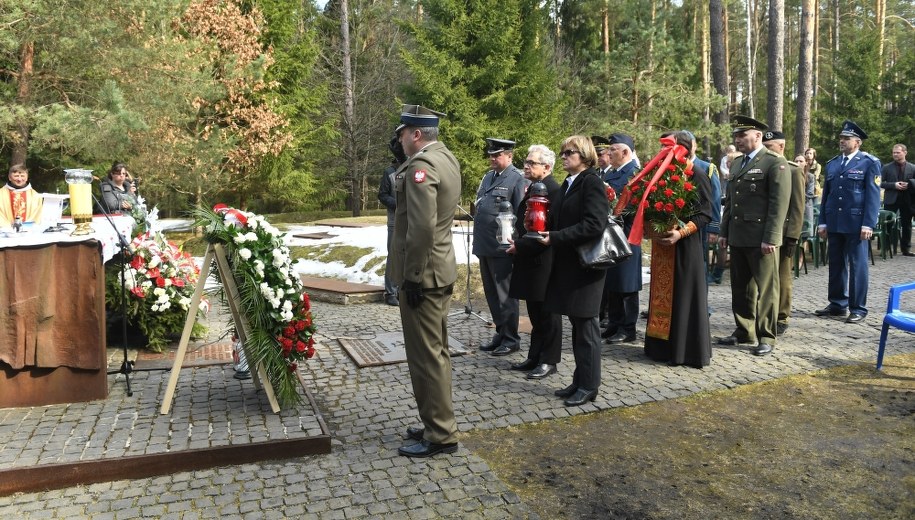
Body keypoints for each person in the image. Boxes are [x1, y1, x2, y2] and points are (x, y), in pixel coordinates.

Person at [389, 104, 462, 458]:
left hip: (425, 275)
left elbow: (420, 229)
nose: (399, 138)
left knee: (426, 357)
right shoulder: (445, 156)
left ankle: (440, 434)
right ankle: (437, 420)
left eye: (403, 132)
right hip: (440, 270)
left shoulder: (421, 166)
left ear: (416, 134)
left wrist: (412, 277)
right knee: (437, 352)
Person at [539, 135, 608, 406]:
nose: (564, 156)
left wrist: (555, 237)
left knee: (587, 327)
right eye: (563, 152)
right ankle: (580, 380)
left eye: (569, 152)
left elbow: (594, 224)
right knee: (578, 326)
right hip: (570, 264)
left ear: (584, 154)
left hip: (587, 266)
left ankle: (589, 386)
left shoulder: (591, 181)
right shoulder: (570, 182)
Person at [717, 115, 791, 356]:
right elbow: (731, 203)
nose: (737, 140)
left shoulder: (773, 162)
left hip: (761, 239)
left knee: (767, 289)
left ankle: (767, 336)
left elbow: (778, 204)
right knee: (741, 288)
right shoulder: (737, 164)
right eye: (736, 136)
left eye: (742, 135)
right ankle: (744, 330)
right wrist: (724, 232)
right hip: (739, 235)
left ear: (757, 136)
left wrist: (771, 237)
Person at [642, 131, 713, 368]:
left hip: (685, 246)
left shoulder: (698, 174)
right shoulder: (663, 174)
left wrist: (680, 233)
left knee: (683, 296)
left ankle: (684, 352)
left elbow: (706, 213)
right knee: (663, 296)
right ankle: (660, 349)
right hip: (663, 246)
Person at [814, 120, 881, 324]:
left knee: (857, 265)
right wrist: (822, 221)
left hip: (856, 224)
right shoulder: (833, 163)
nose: (842, 141)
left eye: (846, 138)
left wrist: (868, 224)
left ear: (857, 142)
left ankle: (858, 308)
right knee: (836, 264)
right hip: (834, 222)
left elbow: (873, 196)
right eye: (841, 138)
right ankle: (837, 304)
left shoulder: (869, 163)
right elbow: (827, 196)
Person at [505, 145, 563, 380]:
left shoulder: (554, 191)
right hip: (529, 258)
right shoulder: (534, 187)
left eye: (532, 163)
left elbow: (547, 231)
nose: (526, 166)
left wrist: (519, 245)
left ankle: (549, 360)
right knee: (535, 313)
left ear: (547, 167)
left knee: (548, 314)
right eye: (526, 162)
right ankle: (535, 356)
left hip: (544, 261)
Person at [473, 138, 527, 357]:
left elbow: (521, 214)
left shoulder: (516, 179)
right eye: (491, 155)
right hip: (485, 245)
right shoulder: (488, 177)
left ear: (510, 156)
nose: (493, 159)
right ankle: (500, 332)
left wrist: (516, 242)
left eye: (497, 155)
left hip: (503, 247)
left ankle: (512, 338)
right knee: (491, 294)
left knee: (505, 295)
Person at [597, 133, 642, 344]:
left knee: (627, 282)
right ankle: (614, 323)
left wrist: (614, 214)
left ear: (625, 152)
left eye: (613, 149)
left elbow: (633, 206)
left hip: (627, 234)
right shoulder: (611, 173)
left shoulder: (635, 173)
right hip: (611, 235)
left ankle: (628, 327)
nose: (608, 153)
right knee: (612, 280)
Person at [761, 131, 806, 336]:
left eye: (770, 146)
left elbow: (798, 206)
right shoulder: (761, 168)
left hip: (784, 232)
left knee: (782, 275)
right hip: (763, 231)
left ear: (781, 147)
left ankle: (781, 315)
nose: (766, 150)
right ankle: (764, 313)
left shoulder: (793, 170)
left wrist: (793, 236)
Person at [378, 135, 407, 305]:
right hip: (395, 221)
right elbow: (382, 195)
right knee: (393, 256)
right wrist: (397, 205)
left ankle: (402, 290)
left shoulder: (414, 168)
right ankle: (390, 292)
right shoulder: (389, 172)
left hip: (412, 220)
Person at [881, 144, 915, 256]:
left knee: (907, 225)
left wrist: (909, 184)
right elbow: (878, 183)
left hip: (907, 200)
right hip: (891, 200)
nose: (895, 154)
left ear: (905, 152)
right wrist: (894, 185)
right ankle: (885, 249)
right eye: (894, 152)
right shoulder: (886, 167)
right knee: (887, 225)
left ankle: (906, 249)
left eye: (898, 152)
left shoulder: (912, 168)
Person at [0, 163, 43, 229]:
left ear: (27, 177)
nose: (19, 179)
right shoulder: (1, 194)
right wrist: (8, 228)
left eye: (22, 176)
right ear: (9, 177)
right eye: (16, 176)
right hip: (5, 233)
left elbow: (37, 216)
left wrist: (25, 227)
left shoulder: (36, 196)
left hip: (28, 233)